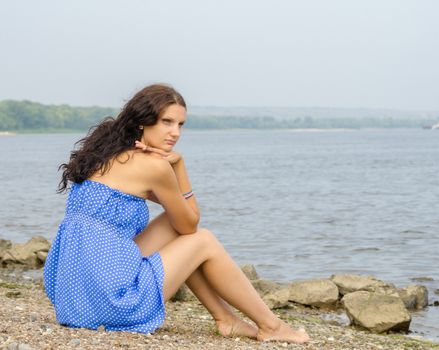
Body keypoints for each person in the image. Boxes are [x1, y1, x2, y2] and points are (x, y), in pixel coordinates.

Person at [43, 83, 310, 343]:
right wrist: (179, 167)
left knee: (178, 233)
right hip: (114, 303)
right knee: (202, 240)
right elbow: (190, 224)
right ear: (142, 122)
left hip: (74, 301)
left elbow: (179, 223)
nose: (175, 132)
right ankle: (271, 325)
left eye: (180, 125)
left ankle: (226, 320)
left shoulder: (102, 156)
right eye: (167, 122)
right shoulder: (153, 167)